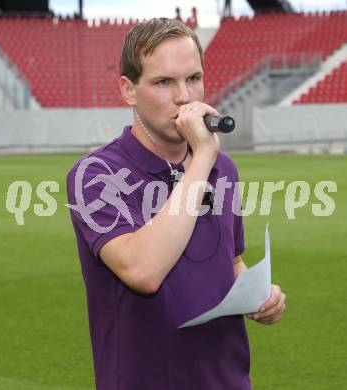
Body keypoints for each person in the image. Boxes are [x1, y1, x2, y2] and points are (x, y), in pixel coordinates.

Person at [67, 18, 286, 390]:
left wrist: (257, 293)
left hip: (227, 380)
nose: (185, 96)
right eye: (164, 82)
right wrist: (200, 159)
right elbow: (142, 271)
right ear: (128, 90)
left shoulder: (223, 169)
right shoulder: (96, 175)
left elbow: (230, 261)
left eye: (193, 78)